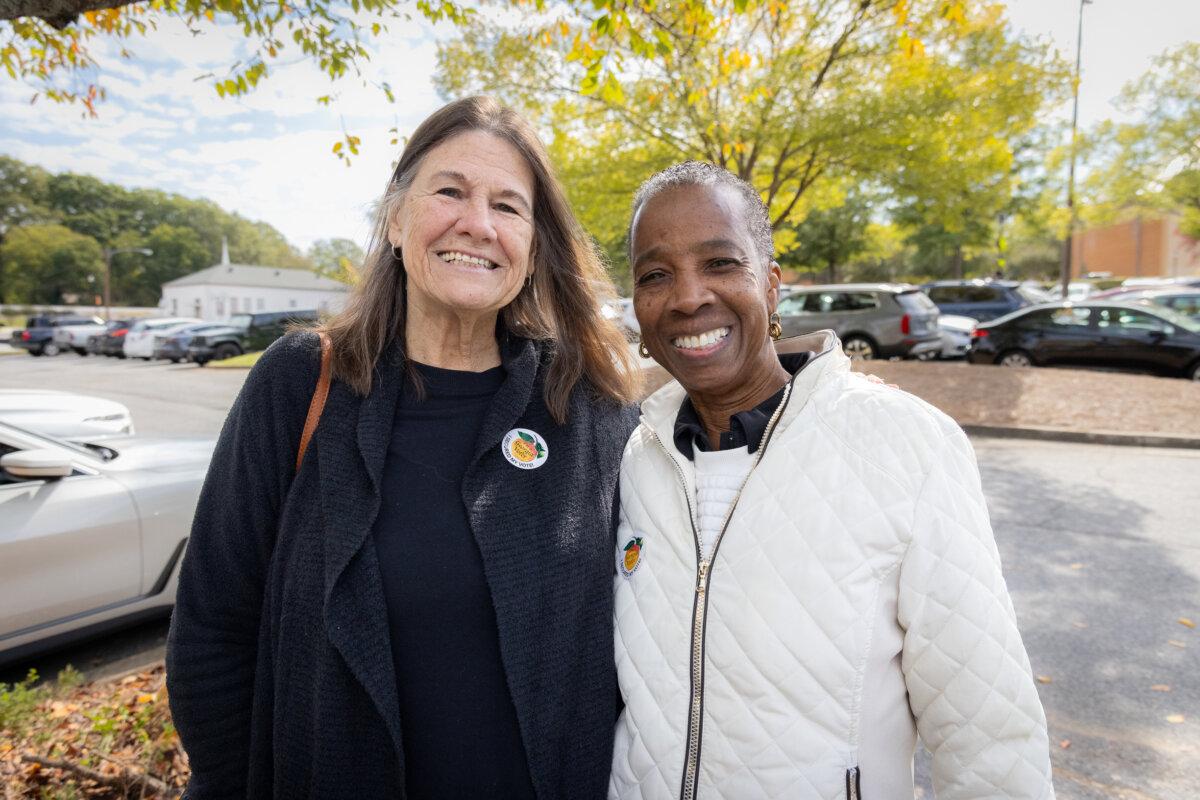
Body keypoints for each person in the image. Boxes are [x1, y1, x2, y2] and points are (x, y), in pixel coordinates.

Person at [166, 96, 641, 799]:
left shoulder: (589, 405)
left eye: (509, 207)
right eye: (450, 191)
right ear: (395, 218)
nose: (477, 224)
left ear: (535, 245)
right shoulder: (300, 384)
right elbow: (212, 629)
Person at [609, 162, 1054, 799]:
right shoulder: (636, 457)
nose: (686, 297)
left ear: (770, 286)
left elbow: (988, 730)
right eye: (656, 275)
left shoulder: (905, 444)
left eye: (720, 263)